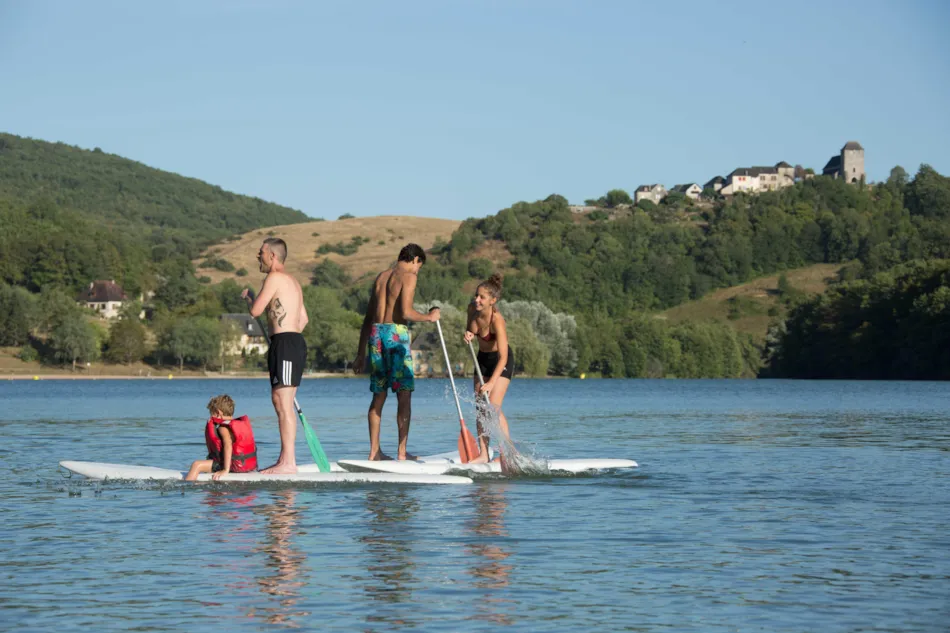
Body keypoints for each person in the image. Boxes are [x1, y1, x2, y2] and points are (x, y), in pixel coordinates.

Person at [353, 244, 440, 461]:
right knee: (404, 394)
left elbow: (368, 318)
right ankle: (402, 452)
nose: (417, 271)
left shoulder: (381, 277)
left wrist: (360, 353)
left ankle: (374, 452)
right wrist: (429, 317)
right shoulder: (409, 276)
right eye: (419, 266)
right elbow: (406, 312)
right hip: (395, 336)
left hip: (375, 335)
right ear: (415, 260)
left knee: (378, 394)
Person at [241, 237, 309, 475]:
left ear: (272, 256)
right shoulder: (293, 282)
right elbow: (303, 319)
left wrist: (249, 297)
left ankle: (289, 462)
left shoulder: (274, 277)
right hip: (290, 343)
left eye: (261, 252)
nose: (258, 256)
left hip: (286, 344)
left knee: (283, 402)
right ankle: (284, 459)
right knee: (281, 402)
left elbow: (256, 310)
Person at [463, 273, 514, 464]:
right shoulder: (472, 309)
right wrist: (468, 334)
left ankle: (506, 454)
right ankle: (483, 454)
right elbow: (469, 328)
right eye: (476, 295)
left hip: (501, 361)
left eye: (482, 297)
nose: (477, 299)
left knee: (492, 406)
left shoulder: (497, 320)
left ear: (493, 300)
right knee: (480, 407)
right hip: (482, 359)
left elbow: (503, 356)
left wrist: (492, 382)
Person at [186, 394, 258, 481]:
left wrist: (225, 470)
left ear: (218, 413)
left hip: (232, 465)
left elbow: (228, 445)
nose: (211, 417)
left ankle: (186, 486)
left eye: (211, 413)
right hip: (246, 465)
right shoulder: (238, 425)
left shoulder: (223, 428)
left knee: (197, 465)